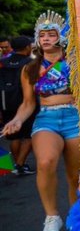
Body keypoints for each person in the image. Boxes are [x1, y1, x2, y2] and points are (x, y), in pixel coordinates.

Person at [1, 11, 80, 231]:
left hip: (74, 117)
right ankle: (52, 216)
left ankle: (77, 218)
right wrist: (16, 120)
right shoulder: (30, 69)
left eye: (51, 34)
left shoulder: (74, 63)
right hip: (46, 118)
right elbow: (28, 104)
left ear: (60, 37)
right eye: (42, 35)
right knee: (45, 162)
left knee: (75, 175)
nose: (46, 38)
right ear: (37, 39)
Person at [0, 36, 36, 175]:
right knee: (29, 135)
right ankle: (20, 164)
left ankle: (17, 164)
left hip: (6, 102)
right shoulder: (30, 62)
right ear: (27, 47)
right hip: (26, 102)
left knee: (14, 135)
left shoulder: (2, 62)